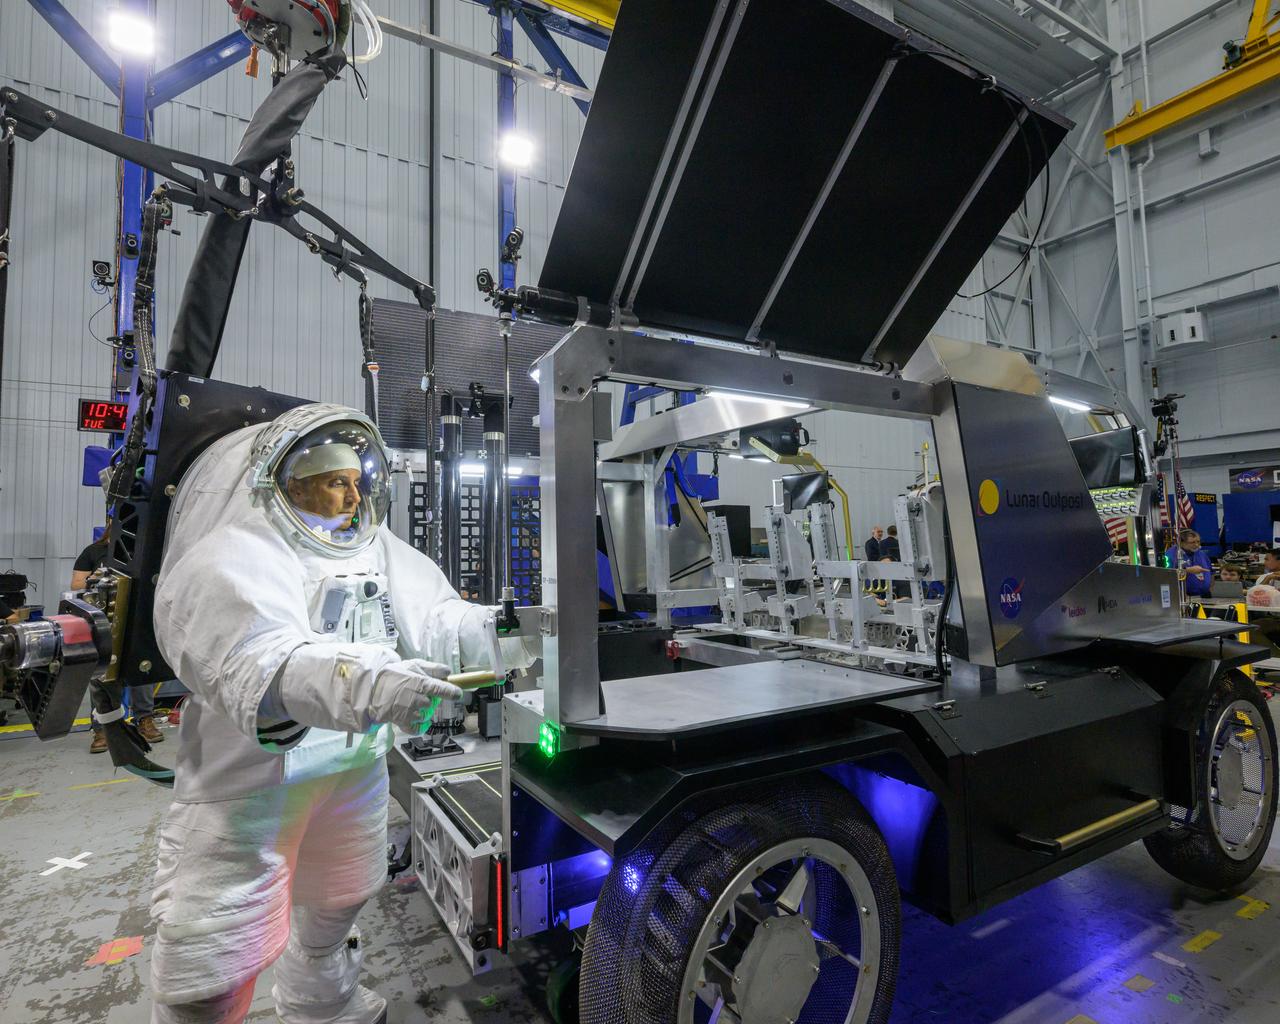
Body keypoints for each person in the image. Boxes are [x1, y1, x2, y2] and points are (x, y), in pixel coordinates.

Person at [148, 404, 498, 1024]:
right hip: (251, 782)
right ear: (295, 484)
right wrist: (370, 684)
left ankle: (322, 999)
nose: (353, 493)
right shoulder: (235, 553)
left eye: (359, 480)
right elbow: (260, 660)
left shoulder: (371, 545)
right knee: (218, 945)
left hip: (351, 765)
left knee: (341, 895)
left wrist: (503, 631)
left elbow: (437, 616)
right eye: (338, 481)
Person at [75, 522, 165, 751]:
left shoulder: (140, 553)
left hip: (135, 621)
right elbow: (76, 583)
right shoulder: (93, 552)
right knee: (102, 676)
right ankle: (103, 729)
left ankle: (144, 719)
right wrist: (95, 578)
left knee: (142, 668)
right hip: (104, 621)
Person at [1166, 528, 1212, 599]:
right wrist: (1188, 570)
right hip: (1184, 597)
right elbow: (1168, 574)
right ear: (1181, 542)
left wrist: (1210, 588)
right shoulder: (1171, 554)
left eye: (1198, 541)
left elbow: (1211, 572)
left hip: (1205, 595)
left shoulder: (1201, 554)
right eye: (1192, 542)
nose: (1196, 545)